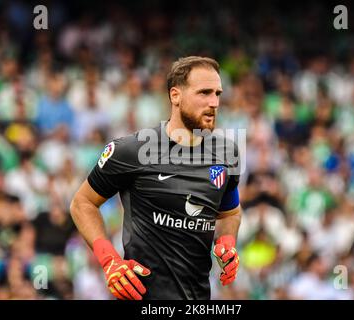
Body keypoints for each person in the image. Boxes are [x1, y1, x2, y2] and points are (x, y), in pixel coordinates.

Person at [70, 56, 242, 300]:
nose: (213, 102)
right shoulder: (131, 151)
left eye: (217, 94)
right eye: (204, 93)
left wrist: (227, 240)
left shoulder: (227, 154)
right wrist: (110, 261)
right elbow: (82, 203)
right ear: (175, 96)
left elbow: (230, 212)